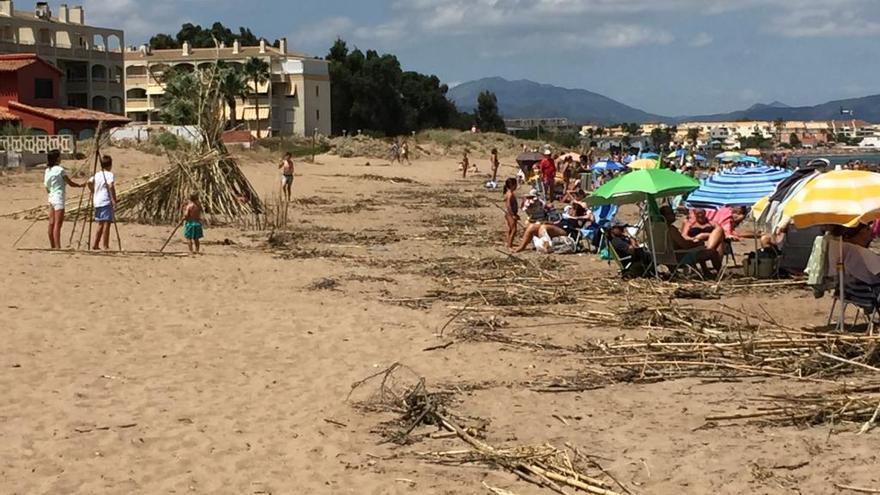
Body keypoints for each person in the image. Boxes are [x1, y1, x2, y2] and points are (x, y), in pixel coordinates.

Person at [659, 206, 722, 275]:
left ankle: (706, 271)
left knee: (700, 248)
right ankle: (719, 274)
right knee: (712, 252)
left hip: (663, 257)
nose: (674, 214)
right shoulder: (671, 229)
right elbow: (685, 245)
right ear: (664, 216)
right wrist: (697, 244)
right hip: (679, 257)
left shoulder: (657, 229)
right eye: (670, 213)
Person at [43, 149, 85, 249]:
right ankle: (57, 246)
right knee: (58, 223)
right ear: (57, 159)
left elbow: (46, 186)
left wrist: (51, 193)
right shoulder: (60, 170)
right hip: (58, 197)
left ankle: (53, 245)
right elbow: (69, 183)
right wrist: (80, 185)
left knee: (51, 223)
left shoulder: (47, 170)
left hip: (51, 197)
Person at [88, 155, 117, 250]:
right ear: (110, 165)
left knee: (101, 223)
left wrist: (93, 191)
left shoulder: (97, 174)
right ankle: (105, 245)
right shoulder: (109, 175)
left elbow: (89, 182)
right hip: (105, 201)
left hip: (97, 201)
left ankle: (96, 244)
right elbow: (111, 186)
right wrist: (113, 199)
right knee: (106, 223)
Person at [503, 178, 519, 249]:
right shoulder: (510, 194)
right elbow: (509, 205)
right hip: (510, 213)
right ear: (512, 185)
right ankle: (510, 245)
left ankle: (508, 242)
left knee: (509, 228)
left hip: (508, 213)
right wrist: (513, 215)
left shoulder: (509, 193)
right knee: (514, 229)